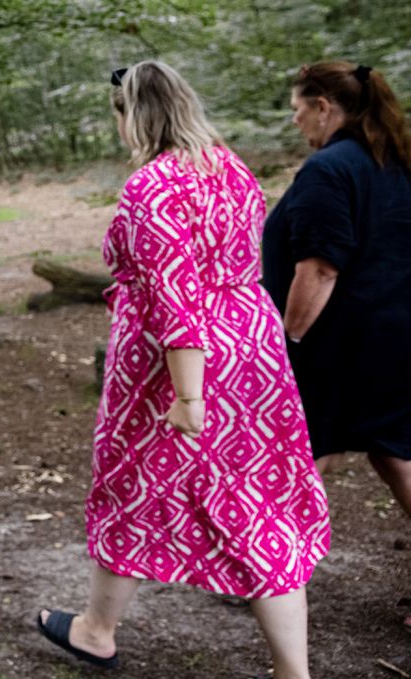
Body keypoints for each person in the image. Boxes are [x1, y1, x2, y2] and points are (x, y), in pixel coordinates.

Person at [36, 62, 330, 678]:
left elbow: (176, 295)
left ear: (131, 116)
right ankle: (288, 670)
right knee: (257, 500)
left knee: (135, 487)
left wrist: (189, 395)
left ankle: (98, 631)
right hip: (251, 349)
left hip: (178, 367)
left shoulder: (153, 186)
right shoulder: (230, 168)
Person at [261, 61, 411, 629]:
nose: (296, 120)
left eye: (298, 108)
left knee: (299, 455)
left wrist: (287, 338)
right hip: (395, 337)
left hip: (338, 346)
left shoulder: (329, 168)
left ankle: (270, 574)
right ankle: (275, 572)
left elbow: (320, 268)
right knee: (395, 454)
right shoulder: (394, 160)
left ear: (325, 106)